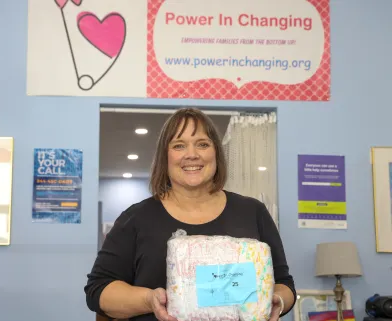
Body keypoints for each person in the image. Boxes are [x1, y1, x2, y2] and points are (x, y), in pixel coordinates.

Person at [84, 108, 296, 321]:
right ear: (165, 156)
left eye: (202, 144)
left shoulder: (253, 212)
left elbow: (284, 284)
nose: (192, 154)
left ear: (216, 153)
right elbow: (98, 290)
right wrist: (149, 299)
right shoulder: (137, 219)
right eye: (179, 145)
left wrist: (275, 299)